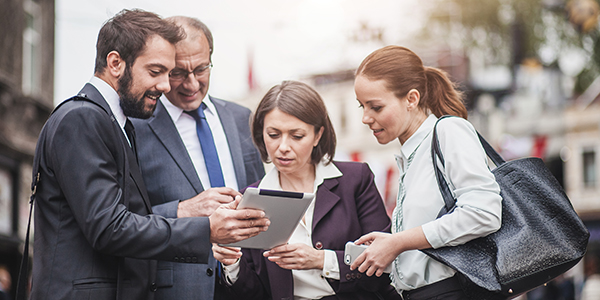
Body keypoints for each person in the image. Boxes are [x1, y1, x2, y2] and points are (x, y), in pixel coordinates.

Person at [30, 9, 269, 300]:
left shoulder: (112, 122)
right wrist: (206, 228)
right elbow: (110, 228)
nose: (166, 86)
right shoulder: (82, 119)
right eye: (157, 72)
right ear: (115, 62)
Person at [213, 80, 401, 300]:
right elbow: (255, 293)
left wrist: (321, 260)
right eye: (273, 135)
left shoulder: (355, 180)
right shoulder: (249, 201)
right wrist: (232, 263)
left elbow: (384, 262)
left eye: (296, 136)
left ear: (318, 135)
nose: (283, 147)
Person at [350, 45, 502, 300]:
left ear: (411, 99)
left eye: (375, 107)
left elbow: (484, 213)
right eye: (361, 106)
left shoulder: (448, 131)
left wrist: (399, 242)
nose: (365, 117)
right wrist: (391, 245)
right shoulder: (412, 153)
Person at [132, 16, 265, 300]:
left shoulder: (242, 119)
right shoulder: (135, 128)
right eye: (179, 72)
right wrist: (184, 209)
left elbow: (258, 193)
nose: (192, 83)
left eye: (201, 68)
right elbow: (124, 220)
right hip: (176, 289)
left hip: (245, 283)